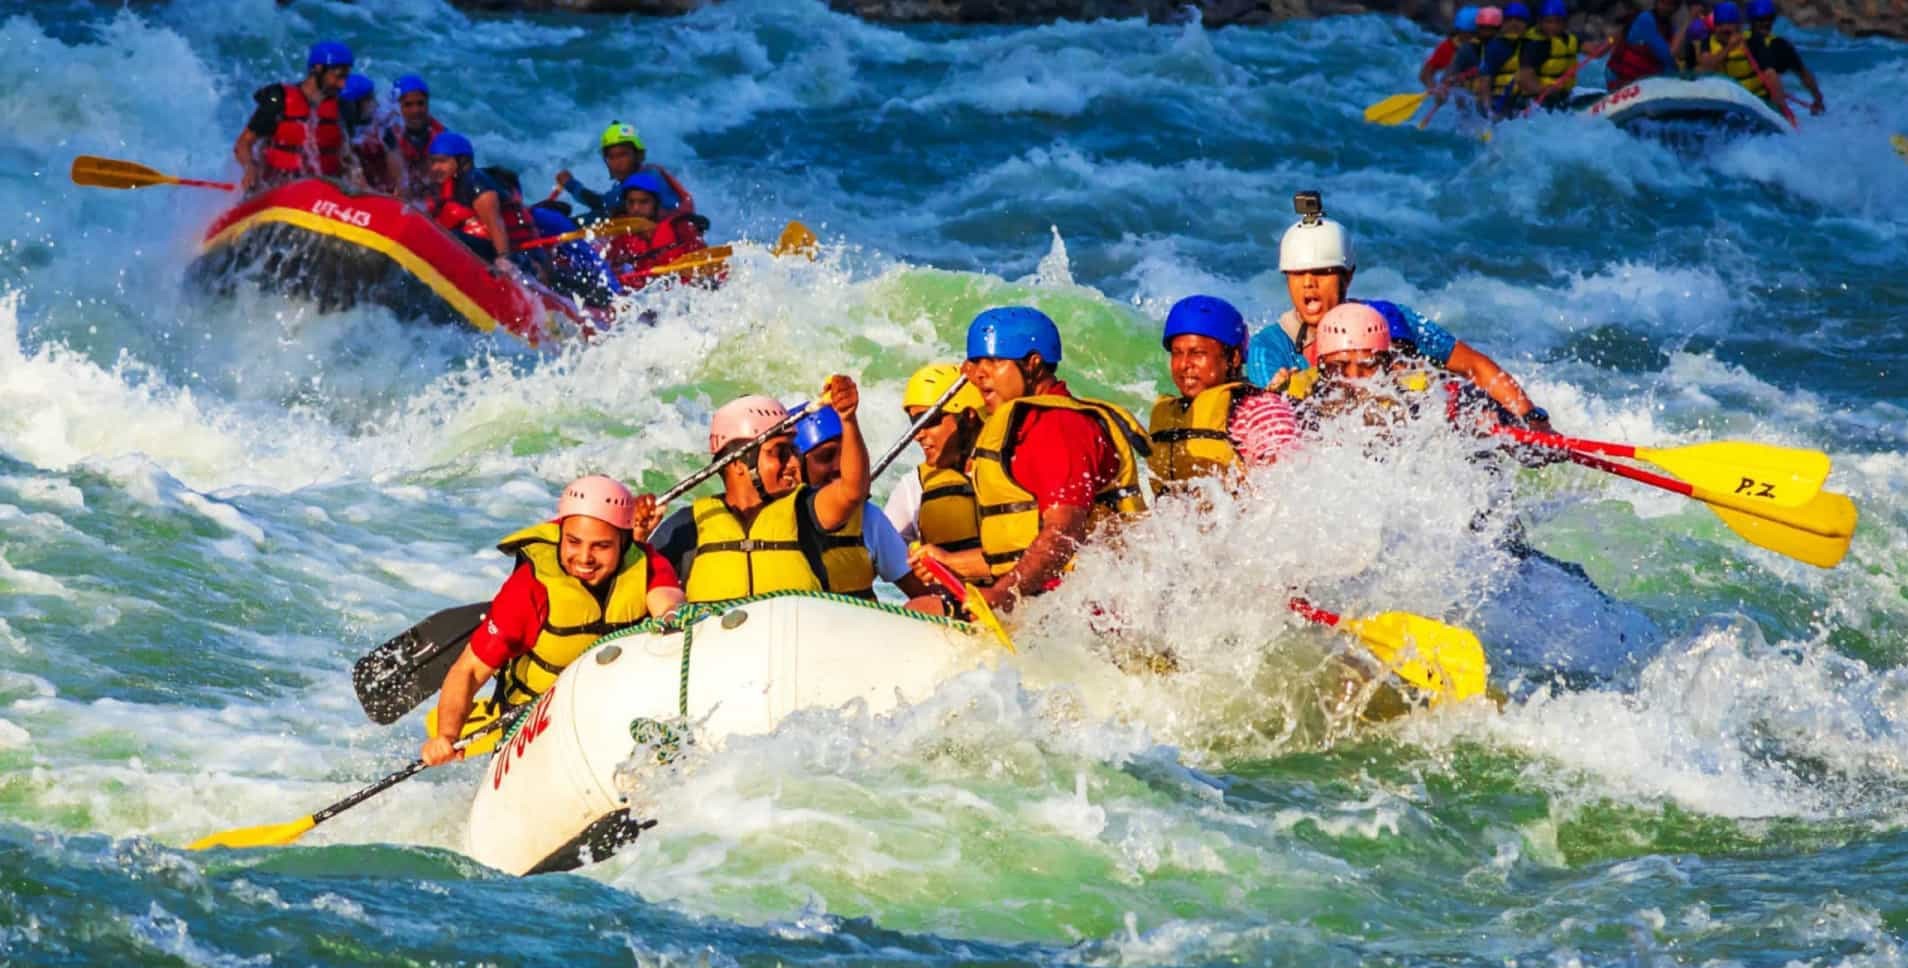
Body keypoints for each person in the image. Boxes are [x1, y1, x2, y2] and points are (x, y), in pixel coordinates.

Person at [420, 476, 683, 766]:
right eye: (573, 542)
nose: (584, 557)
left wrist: (672, 617)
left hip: (614, 711)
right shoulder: (530, 590)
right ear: (561, 534)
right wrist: (446, 734)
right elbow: (468, 669)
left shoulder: (646, 564)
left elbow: (669, 604)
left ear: (623, 541)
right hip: (534, 726)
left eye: (601, 546)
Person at [1244, 193, 1551, 432]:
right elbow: (1274, 427)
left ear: (1347, 277)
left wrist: (1529, 415)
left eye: (1322, 272)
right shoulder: (1269, 346)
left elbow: (1475, 366)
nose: (1309, 283)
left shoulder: (1390, 321)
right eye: (1298, 274)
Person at [952, 307, 1148, 613]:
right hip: (1043, 601)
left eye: (995, 361)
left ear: (1033, 364)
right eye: (976, 362)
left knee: (927, 608)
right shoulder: (1022, 425)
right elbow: (1020, 541)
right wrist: (951, 563)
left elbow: (1063, 533)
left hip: (1084, 612)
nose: (979, 373)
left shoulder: (1059, 427)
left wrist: (1004, 592)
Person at [647, 382, 870, 603]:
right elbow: (637, 582)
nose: (794, 463)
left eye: (794, 450)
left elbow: (851, 491)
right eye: (780, 452)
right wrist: (636, 539)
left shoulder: (805, 509)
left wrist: (848, 419)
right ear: (738, 464)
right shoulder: (688, 526)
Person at [1146, 295, 1299, 491]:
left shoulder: (1261, 412)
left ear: (1233, 358)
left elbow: (1288, 491)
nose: (1184, 364)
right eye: (1177, 353)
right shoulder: (1171, 417)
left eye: (1197, 353)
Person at [792, 406, 933, 599]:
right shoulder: (774, 520)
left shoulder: (869, 519)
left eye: (847, 456)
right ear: (794, 466)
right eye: (825, 457)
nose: (839, 467)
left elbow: (923, 595)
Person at [884, 363, 990, 582]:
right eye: (915, 423)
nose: (918, 435)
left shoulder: (1008, 470)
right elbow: (879, 550)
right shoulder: (913, 487)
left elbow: (1029, 554)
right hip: (949, 608)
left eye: (929, 421)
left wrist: (951, 562)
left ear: (968, 416)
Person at [232, 40, 354, 193]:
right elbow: (243, 144)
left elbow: (348, 158)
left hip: (323, 193)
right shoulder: (279, 100)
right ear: (318, 69)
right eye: (338, 76)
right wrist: (250, 167)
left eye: (346, 77)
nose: (342, 84)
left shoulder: (342, 107)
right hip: (276, 191)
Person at [423, 131, 537, 273]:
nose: (435, 168)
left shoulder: (475, 180)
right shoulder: (449, 185)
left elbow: (495, 223)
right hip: (489, 247)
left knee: (450, 236)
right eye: (433, 161)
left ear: (463, 161)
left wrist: (504, 259)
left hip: (514, 253)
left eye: (442, 161)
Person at [555, 121, 695, 225]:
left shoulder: (647, 178)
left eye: (623, 155)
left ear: (637, 156)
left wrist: (571, 185)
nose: (617, 162)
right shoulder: (644, 175)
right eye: (612, 157)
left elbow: (602, 204)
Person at [603, 172, 710, 288]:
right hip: (647, 295)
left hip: (686, 291)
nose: (636, 208)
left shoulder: (679, 227)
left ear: (656, 204)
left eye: (644, 202)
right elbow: (606, 268)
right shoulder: (623, 235)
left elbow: (705, 262)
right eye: (631, 202)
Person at [1745, 0, 1825, 115]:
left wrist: (1818, 100)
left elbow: (1803, 74)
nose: (1766, 23)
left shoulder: (1779, 46)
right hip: (1756, 99)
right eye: (1761, 20)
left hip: (1754, 99)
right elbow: (1803, 74)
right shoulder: (1779, 45)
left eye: (1769, 18)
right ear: (1752, 21)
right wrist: (1818, 100)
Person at [380, 73, 444, 201]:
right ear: (396, 107)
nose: (416, 110)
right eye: (408, 105)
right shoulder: (382, 132)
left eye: (421, 104)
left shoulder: (439, 134)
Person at [1518, 0, 1594, 109]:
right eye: (1548, 22)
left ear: (1565, 23)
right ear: (1540, 22)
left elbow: (1594, 50)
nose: (1553, 26)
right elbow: (1524, 78)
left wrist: (1614, 38)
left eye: (1558, 22)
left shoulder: (1570, 39)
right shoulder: (1535, 45)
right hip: (1536, 98)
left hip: (1563, 95)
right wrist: (1543, 89)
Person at [1474, 1, 1533, 117]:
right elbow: (1485, 82)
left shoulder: (1531, 45)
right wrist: (1489, 109)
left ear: (1527, 24)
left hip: (1519, 100)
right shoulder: (1495, 47)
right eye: (1509, 20)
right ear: (1503, 23)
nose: (1514, 24)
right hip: (1496, 100)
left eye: (1519, 20)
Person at [1605, 0, 1680, 89]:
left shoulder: (1670, 28)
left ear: (1676, 8)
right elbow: (1667, 55)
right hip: (1618, 78)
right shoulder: (1645, 19)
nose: (1665, 7)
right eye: (1663, 2)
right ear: (1657, 2)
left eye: (1670, 4)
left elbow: (1669, 66)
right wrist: (1687, 22)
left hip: (1641, 82)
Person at [1422, 7, 1479, 90]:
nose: (1467, 37)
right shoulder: (1446, 47)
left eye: (1472, 34)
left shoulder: (1485, 47)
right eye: (1463, 33)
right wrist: (1433, 88)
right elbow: (1425, 74)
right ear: (1457, 30)